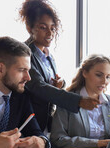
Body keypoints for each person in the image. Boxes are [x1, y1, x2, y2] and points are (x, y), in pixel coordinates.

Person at [18, 0, 99, 134]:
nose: (49, 33)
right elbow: (39, 87)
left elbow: (49, 86)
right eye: (43, 27)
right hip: (28, 122)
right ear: (29, 27)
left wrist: (60, 84)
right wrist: (78, 101)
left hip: (46, 122)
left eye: (52, 28)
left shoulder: (49, 58)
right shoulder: (23, 54)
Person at [50, 54, 110, 148]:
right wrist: (97, 143)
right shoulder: (68, 100)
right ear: (85, 73)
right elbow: (58, 139)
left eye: (108, 77)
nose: (104, 81)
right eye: (99, 75)